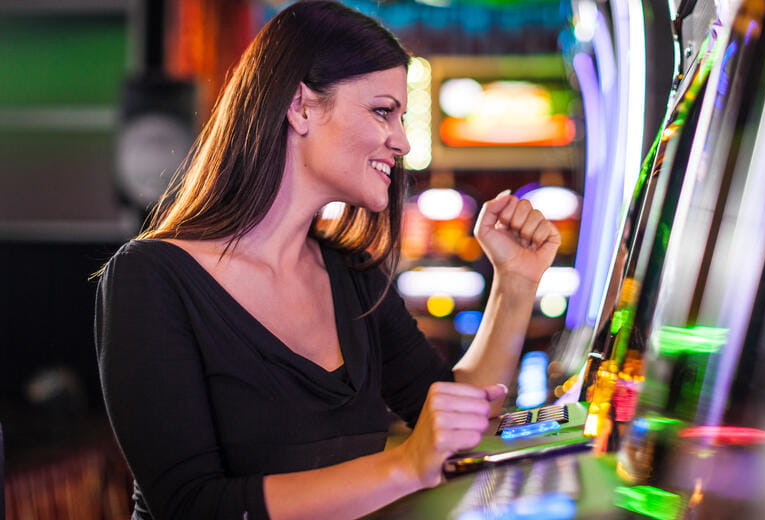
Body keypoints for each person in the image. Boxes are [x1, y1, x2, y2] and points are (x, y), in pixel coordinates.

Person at [95, 1, 561, 518]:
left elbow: (457, 419)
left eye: (401, 117)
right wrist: (404, 465)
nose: (403, 141)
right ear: (301, 107)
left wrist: (515, 284)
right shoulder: (151, 276)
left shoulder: (353, 276)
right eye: (383, 111)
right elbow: (191, 505)